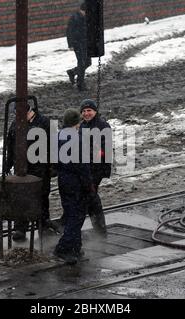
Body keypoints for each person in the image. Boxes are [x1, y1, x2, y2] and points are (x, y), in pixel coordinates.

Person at [5, 102, 53, 241]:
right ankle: (20, 228)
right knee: (21, 197)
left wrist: (52, 166)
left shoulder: (45, 123)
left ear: (30, 111)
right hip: (22, 168)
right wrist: (7, 164)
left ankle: (43, 224)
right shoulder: (15, 125)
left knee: (42, 197)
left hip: (41, 168)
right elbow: (10, 145)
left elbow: (54, 145)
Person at [54, 108, 93, 265]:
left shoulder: (58, 137)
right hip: (75, 181)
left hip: (63, 179)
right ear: (76, 123)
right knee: (76, 216)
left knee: (71, 213)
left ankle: (75, 247)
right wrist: (88, 184)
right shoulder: (77, 139)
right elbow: (82, 166)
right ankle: (63, 248)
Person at [79, 99, 111, 237]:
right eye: (84, 111)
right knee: (89, 197)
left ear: (95, 111)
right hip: (87, 168)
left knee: (89, 196)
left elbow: (104, 150)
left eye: (89, 111)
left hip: (97, 168)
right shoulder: (82, 126)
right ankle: (99, 229)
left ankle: (99, 230)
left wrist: (89, 153)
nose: (86, 113)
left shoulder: (103, 126)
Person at [66, 2, 91, 91]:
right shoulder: (75, 18)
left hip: (85, 43)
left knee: (88, 62)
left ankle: (72, 72)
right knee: (82, 62)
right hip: (78, 44)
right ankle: (80, 84)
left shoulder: (85, 18)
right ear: (82, 10)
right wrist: (71, 44)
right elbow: (69, 32)